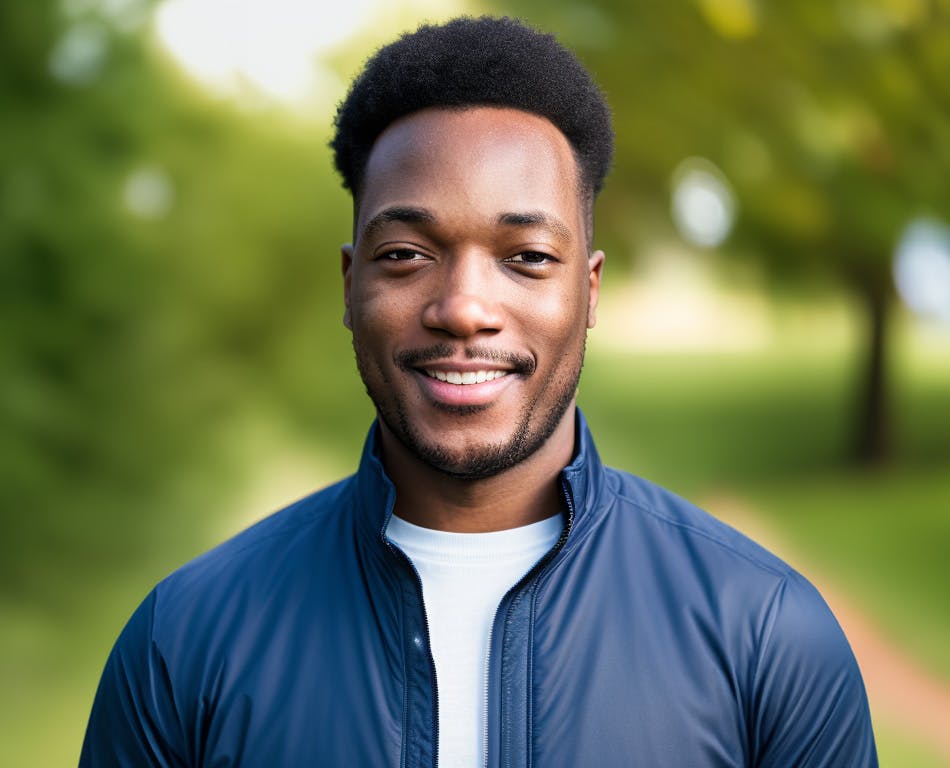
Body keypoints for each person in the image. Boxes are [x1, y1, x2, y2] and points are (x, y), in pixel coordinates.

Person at [80, 16, 877, 767]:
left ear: (588, 291)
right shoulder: (183, 645)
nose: (463, 307)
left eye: (525, 256)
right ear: (351, 285)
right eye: (405, 254)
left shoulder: (770, 636)